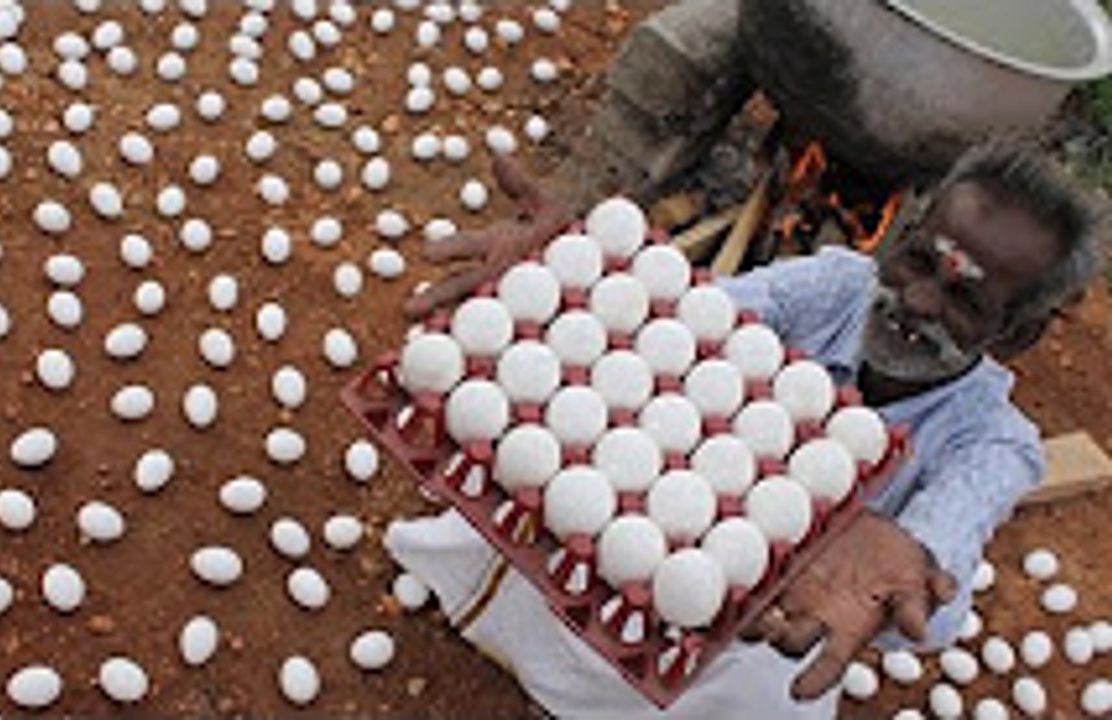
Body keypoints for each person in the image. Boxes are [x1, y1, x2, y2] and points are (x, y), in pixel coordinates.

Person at [386, 141, 1103, 718]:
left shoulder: (990, 443)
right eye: (917, 261)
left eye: (962, 300)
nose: (914, 301)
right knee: (569, 496)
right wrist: (578, 282)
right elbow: (677, 320)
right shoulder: (834, 285)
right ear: (902, 235)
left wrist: (900, 555)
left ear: (1015, 336)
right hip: (665, 507)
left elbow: (944, 546)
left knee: (771, 678)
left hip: (774, 606)